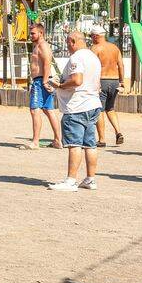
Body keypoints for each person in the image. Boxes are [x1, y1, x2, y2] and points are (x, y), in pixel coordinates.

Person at [47, 30, 102, 191]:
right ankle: (90, 179)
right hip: (92, 104)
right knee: (90, 144)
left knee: (74, 144)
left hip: (77, 106)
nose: (67, 47)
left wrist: (60, 85)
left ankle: (71, 181)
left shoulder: (77, 57)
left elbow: (77, 80)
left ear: (73, 41)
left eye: (67, 43)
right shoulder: (93, 57)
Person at [25, 22, 62, 150]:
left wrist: (45, 81)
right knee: (48, 110)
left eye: (33, 33)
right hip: (41, 80)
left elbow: (47, 63)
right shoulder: (38, 45)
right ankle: (57, 140)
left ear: (41, 33)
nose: (31, 35)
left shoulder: (43, 46)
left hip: (41, 81)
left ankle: (35, 142)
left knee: (35, 110)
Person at [89, 26, 125, 147]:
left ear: (96, 36)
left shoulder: (95, 48)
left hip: (102, 80)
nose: (91, 38)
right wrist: (122, 81)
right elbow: (121, 65)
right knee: (110, 108)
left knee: (99, 110)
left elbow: (91, 67)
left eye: (91, 36)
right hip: (114, 81)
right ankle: (118, 132)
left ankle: (102, 139)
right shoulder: (115, 48)